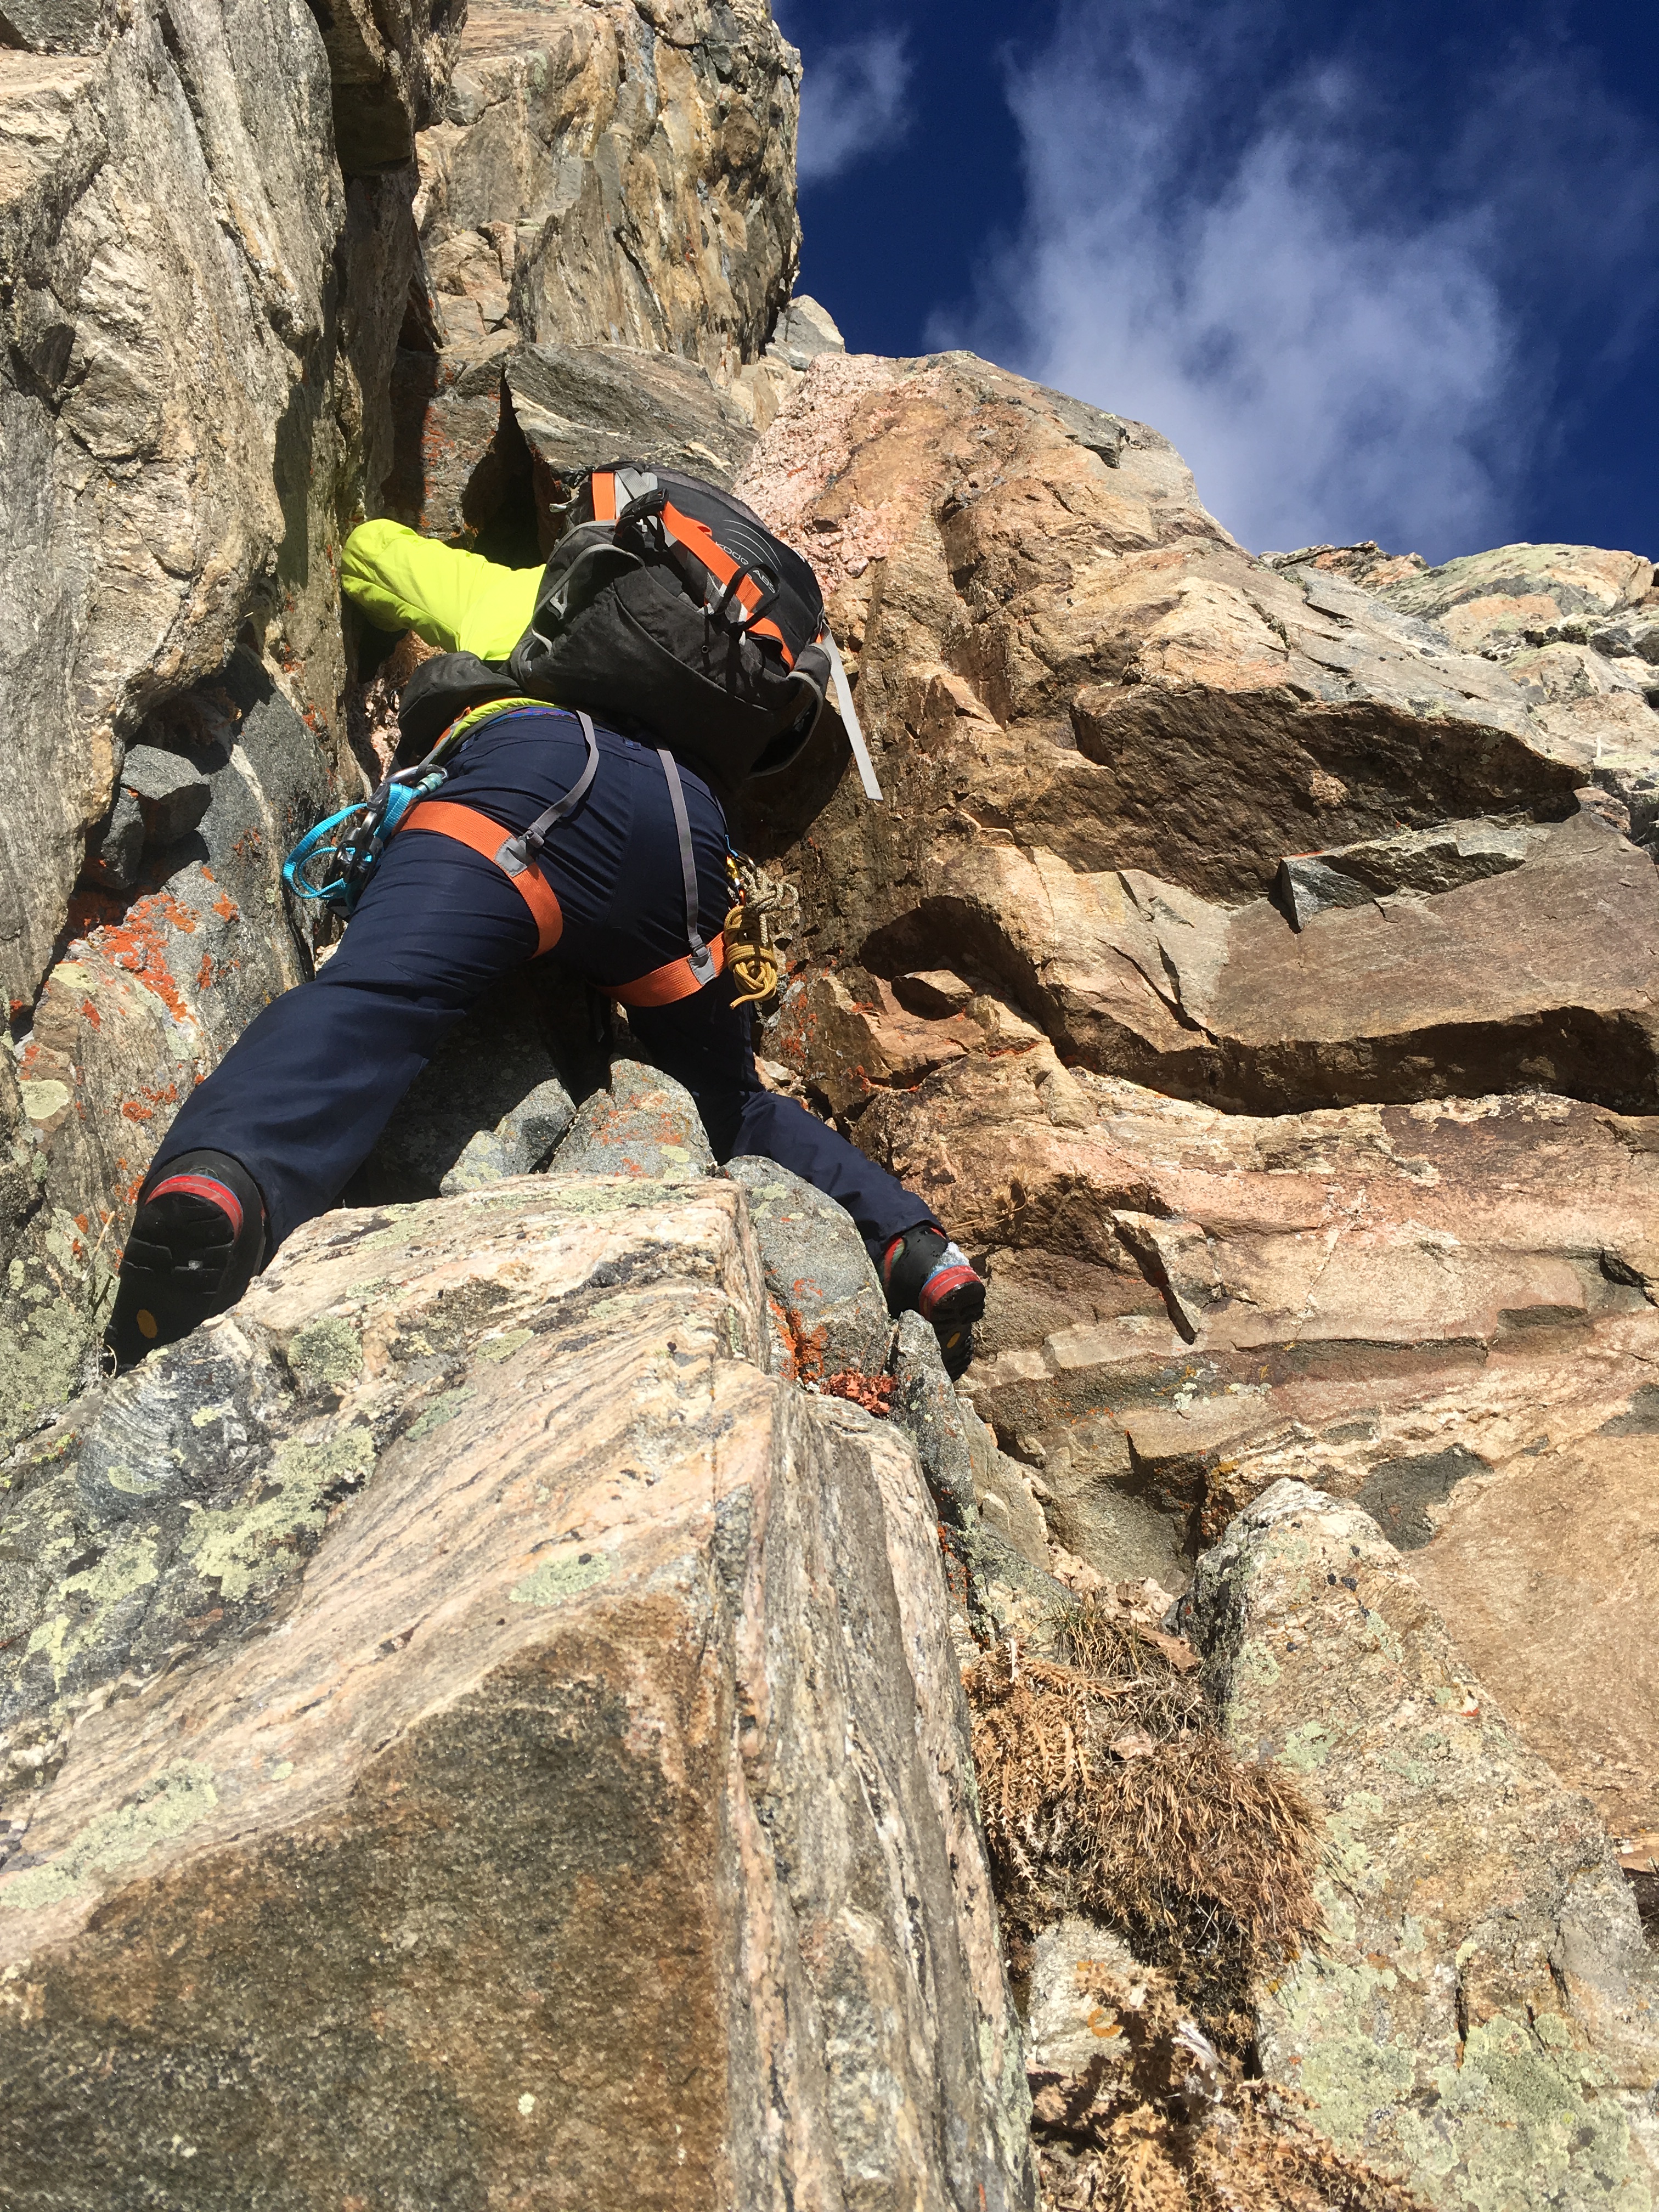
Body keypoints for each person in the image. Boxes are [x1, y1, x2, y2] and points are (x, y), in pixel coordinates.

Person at [108, 519, 987, 1375]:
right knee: (732, 1101)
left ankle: (225, 1185)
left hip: (526, 781)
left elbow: (371, 556)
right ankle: (916, 1249)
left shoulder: (549, 594)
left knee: (378, 999)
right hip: (680, 842)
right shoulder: (739, 672)